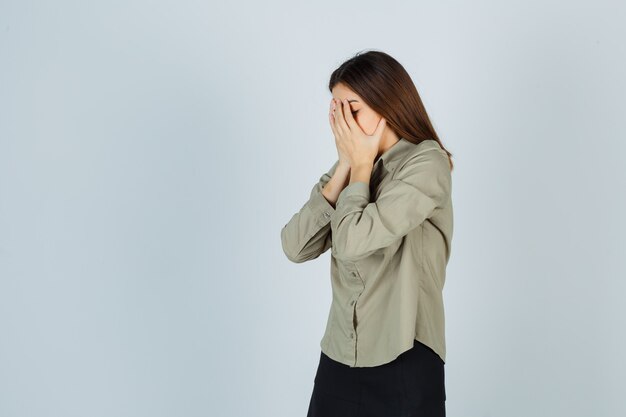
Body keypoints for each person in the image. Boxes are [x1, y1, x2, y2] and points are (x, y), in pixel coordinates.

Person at [280, 50, 454, 417]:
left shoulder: (427, 163)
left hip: (405, 355)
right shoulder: (356, 166)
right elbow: (294, 247)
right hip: (340, 356)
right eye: (336, 110)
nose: (343, 121)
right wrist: (347, 164)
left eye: (352, 108)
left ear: (386, 104)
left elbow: (353, 242)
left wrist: (358, 165)